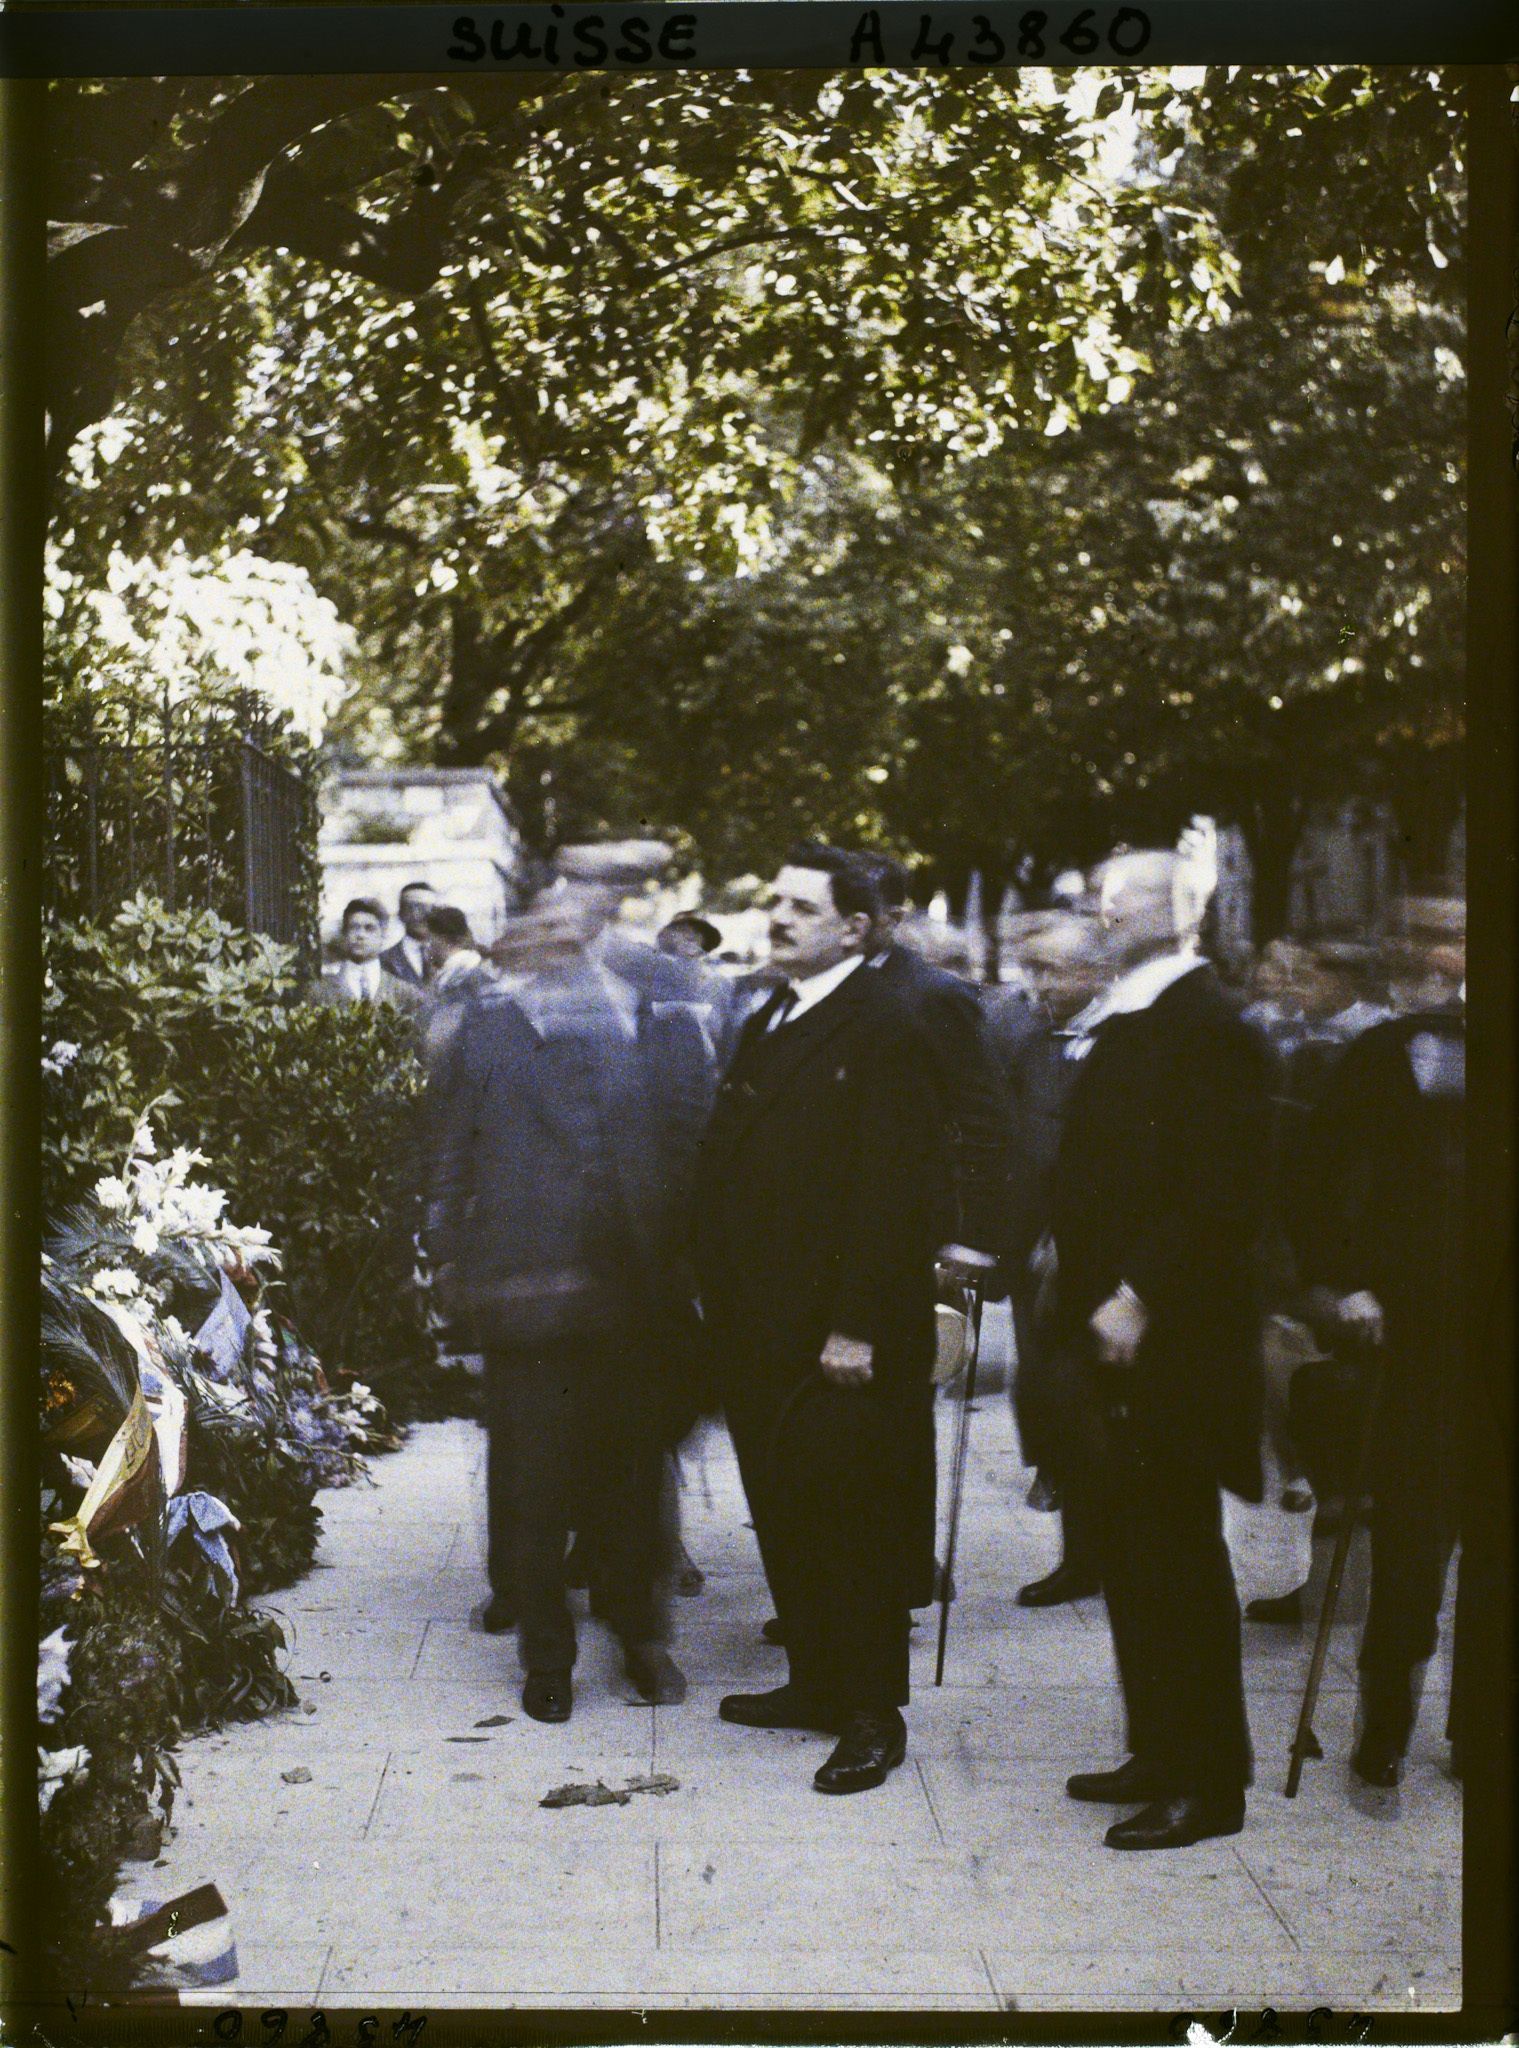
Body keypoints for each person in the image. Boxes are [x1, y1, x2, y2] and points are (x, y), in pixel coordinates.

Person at [427, 872, 711, 1724]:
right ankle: (546, 1654)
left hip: (637, 1294)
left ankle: (639, 1633)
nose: (559, 938)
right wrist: (443, 1258)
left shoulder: (655, 1020)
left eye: (575, 923)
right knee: (534, 1480)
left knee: (634, 1477)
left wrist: (695, 1267)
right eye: (545, 924)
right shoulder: (487, 1028)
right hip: (527, 1293)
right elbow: (448, 1154)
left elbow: (694, 1147)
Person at [695, 846, 948, 1794]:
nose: (777, 917)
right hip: (761, 1316)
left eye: (802, 907)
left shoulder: (887, 1024)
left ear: (854, 928)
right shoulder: (777, 1011)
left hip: (837, 1328)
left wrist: (858, 1324)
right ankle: (814, 1682)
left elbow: (895, 1190)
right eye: (775, 900)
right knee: (784, 1504)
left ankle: (872, 1715)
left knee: (852, 1518)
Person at [1050, 850, 1272, 1851]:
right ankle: (1157, 1749)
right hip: (1113, 1326)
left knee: (1176, 1558)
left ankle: (1207, 1783)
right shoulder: (1134, 1014)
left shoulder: (1208, 1025)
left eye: (1125, 896)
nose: (1104, 910)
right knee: (1133, 1552)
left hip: (1170, 1336)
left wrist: (1138, 1294)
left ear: (1180, 908)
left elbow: (1222, 1190)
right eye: (1099, 895)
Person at [1289, 964, 1466, 1787]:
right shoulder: (1387, 1051)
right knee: (1411, 1535)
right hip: (1418, 1332)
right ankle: (1385, 1722)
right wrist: (1342, 1279)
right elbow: (1314, 1176)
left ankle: (1480, 1730)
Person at [851, 851, 1015, 1614]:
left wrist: (972, 1238)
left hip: (914, 1237)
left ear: (890, 917)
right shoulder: (811, 994)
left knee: (896, 1416)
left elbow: (983, 1120)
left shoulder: (933, 995)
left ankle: (901, 1573)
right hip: (836, 1237)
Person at [989, 913, 1110, 1605]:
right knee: (1048, 1394)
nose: (1036, 985)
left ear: (1096, 970)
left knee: (1100, 1405)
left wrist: (1072, 1233)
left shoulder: (1122, 1039)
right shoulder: (1022, 1036)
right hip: (1030, 1247)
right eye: (1030, 970)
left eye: (1052, 970)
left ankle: (1117, 1553)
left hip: (1097, 1251)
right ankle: (1081, 1555)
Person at [309, 898, 427, 1014]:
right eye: (353, 927)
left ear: (383, 934)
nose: (360, 935)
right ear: (344, 933)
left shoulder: (405, 993)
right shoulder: (320, 990)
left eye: (369, 928)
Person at [381, 880, 438, 986]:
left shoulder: (451, 958)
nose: (418, 916)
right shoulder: (383, 961)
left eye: (425, 909)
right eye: (411, 908)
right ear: (400, 914)